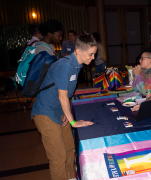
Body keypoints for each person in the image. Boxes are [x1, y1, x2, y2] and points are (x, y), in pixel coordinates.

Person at [31, 23, 97, 180]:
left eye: (94, 54)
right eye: (91, 54)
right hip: (45, 113)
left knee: (69, 149)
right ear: (79, 51)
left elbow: (67, 95)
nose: (93, 58)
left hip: (59, 111)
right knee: (58, 156)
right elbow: (62, 96)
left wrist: (66, 114)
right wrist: (73, 121)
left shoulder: (77, 65)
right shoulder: (65, 65)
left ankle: (71, 177)